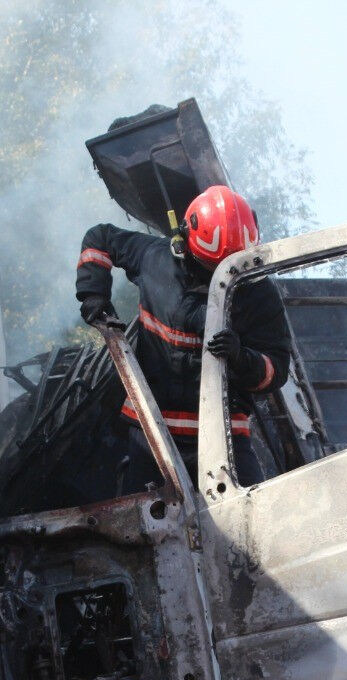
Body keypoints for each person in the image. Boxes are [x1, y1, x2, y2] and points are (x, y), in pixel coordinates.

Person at [75, 184, 294, 493]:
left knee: (251, 512)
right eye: (210, 268)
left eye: (229, 271)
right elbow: (100, 238)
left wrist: (241, 358)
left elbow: (276, 370)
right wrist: (93, 293)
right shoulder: (155, 259)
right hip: (152, 431)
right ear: (187, 244)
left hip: (223, 437)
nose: (217, 278)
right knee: (148, 518)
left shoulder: (259, 295)